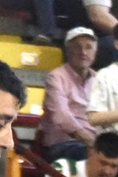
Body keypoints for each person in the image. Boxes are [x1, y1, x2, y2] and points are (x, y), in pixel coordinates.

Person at [37, 30, 99, 162]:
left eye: (88, 47)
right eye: (77, 47)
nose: (83, 52)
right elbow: (61, 115)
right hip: (62, 144)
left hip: (94, 145)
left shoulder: (99, 80)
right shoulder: (56, 77)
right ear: (68, 51)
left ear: (95, 52)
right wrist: (91, 141)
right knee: (91, 156)